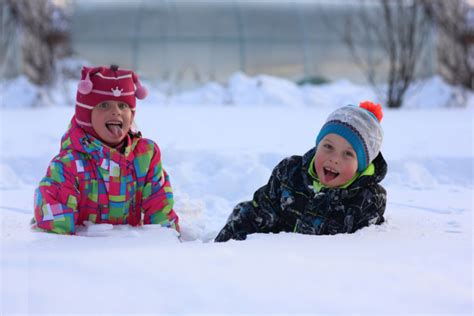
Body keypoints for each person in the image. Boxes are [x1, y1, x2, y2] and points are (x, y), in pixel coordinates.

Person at [33, 65, 179, 234]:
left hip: (136, 255)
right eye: (104, 105)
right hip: (85, 254)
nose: (116, 112)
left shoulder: (145, 156)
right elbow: (55, 230)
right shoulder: (68, 165)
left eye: (123, 106)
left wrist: (168, 243)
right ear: (86, 115)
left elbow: (160, 208)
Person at [215, 101, 387, 242]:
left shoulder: (368, 199)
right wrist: (223, 248)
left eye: (348, 153)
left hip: (317, 272)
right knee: (243, 213)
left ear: (362, 166)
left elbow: (362, 248)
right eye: (328, 146)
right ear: (317, 144)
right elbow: (258, 212)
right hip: (273, 256)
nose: (335, 158)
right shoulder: (290, 173)